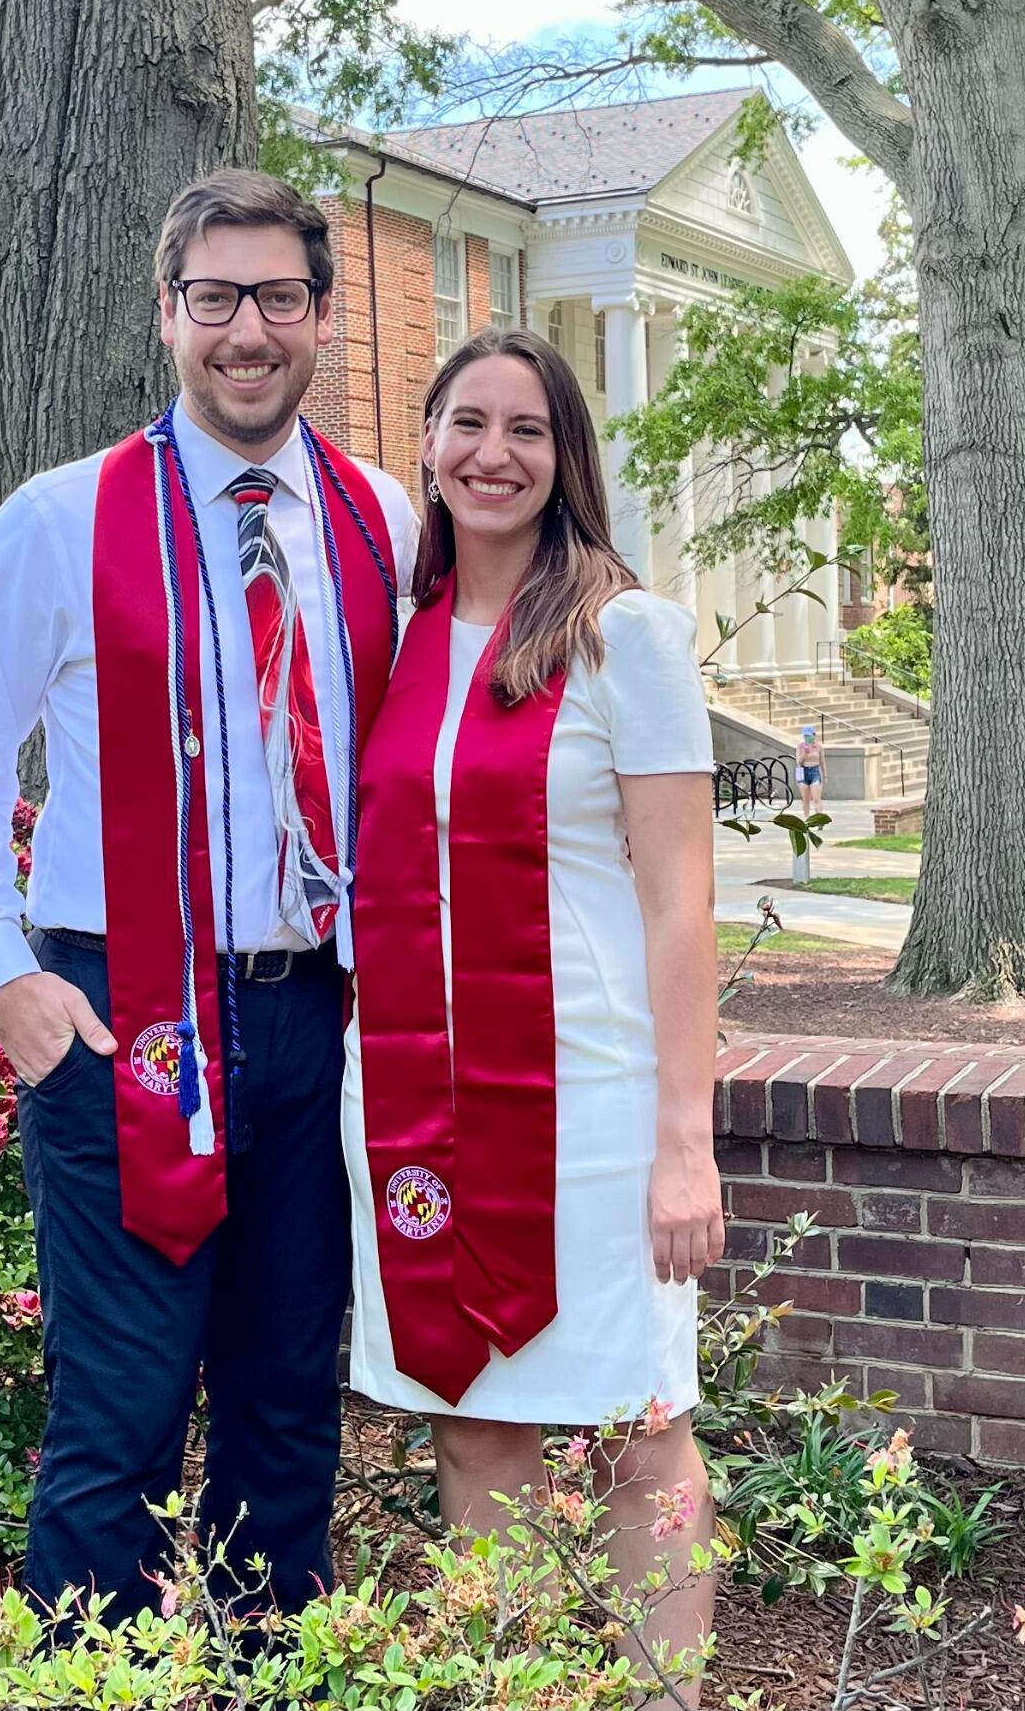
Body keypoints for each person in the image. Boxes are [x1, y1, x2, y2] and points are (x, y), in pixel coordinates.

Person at [0, 171, 417, 1622]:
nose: (243, 331)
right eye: (213, 299)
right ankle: (92, 1677)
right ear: (167, 316)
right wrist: (4, 980)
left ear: (320, 317)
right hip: (120, 1016)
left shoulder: (380, 519)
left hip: (313, 1014)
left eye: (275, 297)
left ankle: (269, 1669)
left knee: (283, 1409)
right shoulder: (62, 520)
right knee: (115, 1418)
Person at [343, 326, 723, 1701]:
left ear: (566, 459)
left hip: (596, 1108)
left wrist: (688, 1141)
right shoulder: (386, 640)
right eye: (465, 424)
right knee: (469, 1432)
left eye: (525, 430)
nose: (490, 455)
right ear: (428, 444)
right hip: (406, 1103)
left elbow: (682, 902)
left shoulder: (624, 634)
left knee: (638, 1431)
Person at [796, 725, 825, 811]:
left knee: (816, 799)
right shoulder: (800, 746)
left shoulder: (818, 747)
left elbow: (822, 762)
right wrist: (805, 753)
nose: (807, 738)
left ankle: (819, 818)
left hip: (815, 771)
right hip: (803, 771)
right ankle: (806, 820)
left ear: (814, 735)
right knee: (805, 800)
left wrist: (825, 775)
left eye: (809, 735)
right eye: (805, 736)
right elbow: (799, 762)